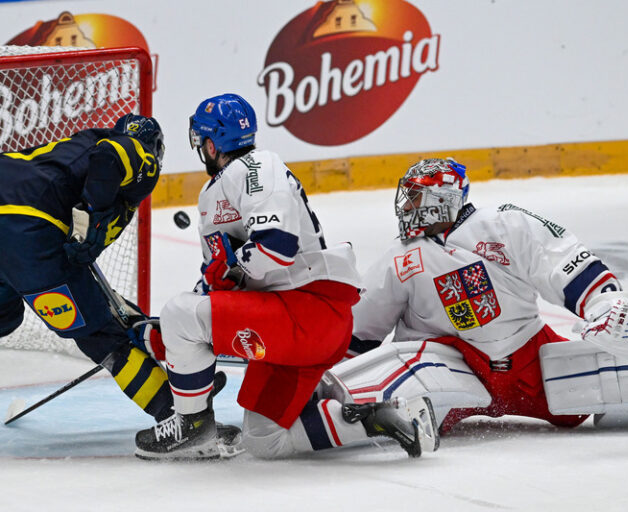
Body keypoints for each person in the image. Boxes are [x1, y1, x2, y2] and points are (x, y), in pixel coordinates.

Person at [131, 93, 439, 460]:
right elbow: (222, 281)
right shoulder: (219, 190)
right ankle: (384, 417)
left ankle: (192, 426)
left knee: (181, 312)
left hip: (308, 311)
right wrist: (172, 335)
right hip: (292, 326)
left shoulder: (256, 166)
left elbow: (277, 245)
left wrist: (226, 274)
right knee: (264, 440)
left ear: (211, 144)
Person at [323, 157, 628, 435]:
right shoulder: (399, 257)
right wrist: (328, 376)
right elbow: (361, 329)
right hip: (449, 369)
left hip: (529, 361)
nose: (407, 207)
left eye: (416, 198)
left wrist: (605, 303)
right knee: (390, 396)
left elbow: (562, 261)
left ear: (446, 198)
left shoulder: (506, 224)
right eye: (407, 198)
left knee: (620, 374)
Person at [0, 114, 174, 425]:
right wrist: (91, 214)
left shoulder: (70, 151)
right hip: (26, 233)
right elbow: (112, 155)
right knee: (102, 333)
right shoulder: (138, 155)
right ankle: (180, 416)